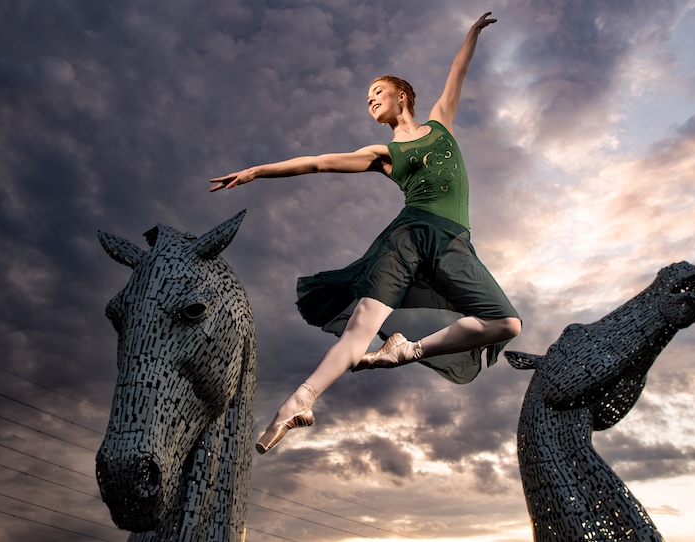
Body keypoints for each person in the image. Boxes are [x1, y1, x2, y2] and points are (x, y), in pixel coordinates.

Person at [210, 12, 521, 454]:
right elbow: (318, 161)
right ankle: (297, 403)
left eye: (378, 92)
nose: (371, 100)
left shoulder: (440, 125)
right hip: (408, 237)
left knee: (505, 322)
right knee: (360, 329)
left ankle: (405, 351)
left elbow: (457, 72)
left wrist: (471, 32)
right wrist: (257, 171)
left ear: (402, 94)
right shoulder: (383, 153)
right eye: (367, 97)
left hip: (453, 242)